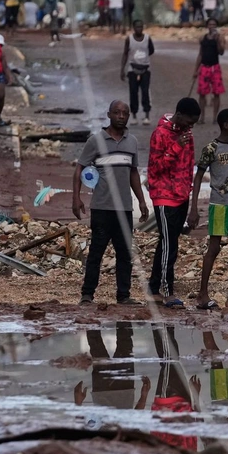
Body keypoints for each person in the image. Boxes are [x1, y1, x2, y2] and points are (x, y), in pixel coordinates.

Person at [73, 100, 148, 305]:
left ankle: (123, 295)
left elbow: (133, 173)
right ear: (109, 114)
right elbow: (79, 168)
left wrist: (141, 201)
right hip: (101, 207)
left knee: (124, 253)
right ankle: (87, 294)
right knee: (96, 252)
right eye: (117, 112)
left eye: (125, 113)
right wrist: (76, 197)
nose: (121, 116)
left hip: (124, 208)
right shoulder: (96, 141)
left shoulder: (131, 142)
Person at [189, 109, 228, 311]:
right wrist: (194, 207)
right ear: (225, 125)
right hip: (220, 205)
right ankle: (202, 294)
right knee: (214, 248)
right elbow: (198, 177)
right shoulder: (211, 148)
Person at [147, 97, 202, 308]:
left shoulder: (187, 134)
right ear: (178, 115)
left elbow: (189, 166)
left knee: (168, 243)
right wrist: (175, 147)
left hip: (181, 196)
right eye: (189, 121)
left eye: (194, 123)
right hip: (163, 196)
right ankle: (167, 291)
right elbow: (155, 168)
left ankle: (154, 289)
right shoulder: (160, 134)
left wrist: (189, 196)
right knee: (170, 245)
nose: (191, 126)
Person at [121, 20, 155, 126]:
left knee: (145, 92)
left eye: (141, 27)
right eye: (137, 27)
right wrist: (122, 69)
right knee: (133, 92)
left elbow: (151, 50)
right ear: (133, 28)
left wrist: (143, 57)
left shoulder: (147, 39)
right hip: (132, 69)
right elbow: (125, 54)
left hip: (145, 69)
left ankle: (146, 115)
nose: (139, 29)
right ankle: (134, 115)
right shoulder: (129, 39)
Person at [193, 18, 225, 125]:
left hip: (215, 68)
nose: (212, 26)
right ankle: (202, 117)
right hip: (204, 68)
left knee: (216, 93)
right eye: (210, 24)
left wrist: (218, 41)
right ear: (207, 26)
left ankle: (215, 117)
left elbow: (221, 52)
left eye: (214, 24)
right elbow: (200, 54)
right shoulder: (203, 38)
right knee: (202, 94)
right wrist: (196, 70)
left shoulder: (220, 37)